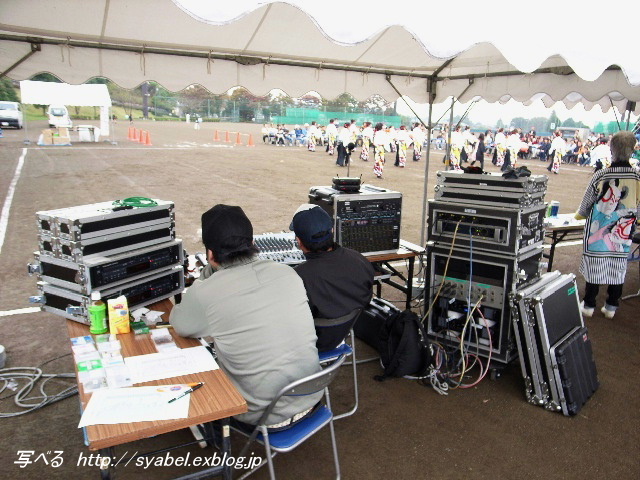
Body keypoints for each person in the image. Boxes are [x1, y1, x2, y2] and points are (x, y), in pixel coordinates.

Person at [170, 204, 322, 429]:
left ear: (210, 254)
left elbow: (180, 325)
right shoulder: (288, 273)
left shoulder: (206, 292)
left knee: (196, 358)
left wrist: (204, 279)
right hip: (312, 398)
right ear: (252, 243)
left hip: (263, 415)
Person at [289, 204, 375, 351]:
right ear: (332, 230)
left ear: (299, 242)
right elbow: (366, 299)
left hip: (308, 345)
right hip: (343, 334)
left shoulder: (297, 277)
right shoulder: (359, 260)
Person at [576, 131, 640, 319]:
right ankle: (611, 306)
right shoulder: (637, 178)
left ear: (612, 149)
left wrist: (581, 214)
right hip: (624, 231)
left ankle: (589, 305)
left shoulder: (602, 175)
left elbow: (587, 201)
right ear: (632, 150)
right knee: (618, 267)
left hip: (598, 228)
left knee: (594, 265)